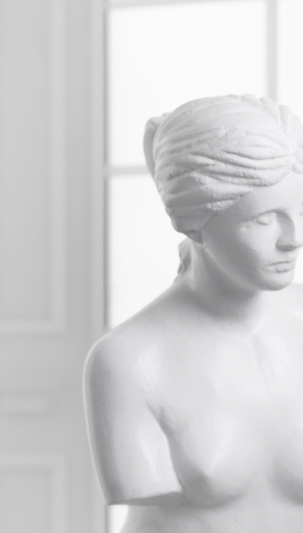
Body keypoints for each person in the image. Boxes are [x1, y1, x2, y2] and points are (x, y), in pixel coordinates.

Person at [84, 95, 303, 532]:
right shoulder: (127, 360)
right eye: (264, 220)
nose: (293, 238)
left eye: (300, 211)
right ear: (192, 223)